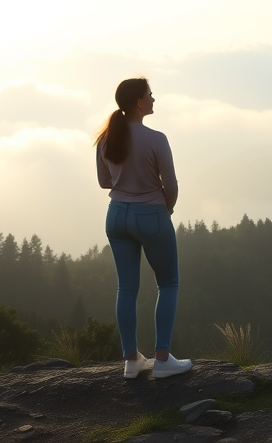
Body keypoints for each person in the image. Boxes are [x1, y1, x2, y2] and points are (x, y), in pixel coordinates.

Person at [95, 77, 192, 379]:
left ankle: (131, 360)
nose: (153, 99)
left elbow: (104, 182)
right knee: (168, 284)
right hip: (151, 214)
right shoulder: (157, 139)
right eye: (150, 95)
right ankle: (162, 359)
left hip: (116, 216)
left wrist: (127, 184)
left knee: (126, 288)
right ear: (139, 102)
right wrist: (168, 208)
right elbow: (171, 185)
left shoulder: (106, 139)